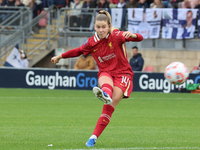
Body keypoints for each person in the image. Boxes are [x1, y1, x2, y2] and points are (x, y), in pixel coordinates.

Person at [51, 10, 143, 147]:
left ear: (109, 26)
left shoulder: (117, 35)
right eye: (98, 27)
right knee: (105, 84)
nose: (101, 30)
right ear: (94, 27)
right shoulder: (91, 42)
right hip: (106, 72)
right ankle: (105, 94)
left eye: (104, 27)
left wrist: (133, 34)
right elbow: (78, 51)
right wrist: (60, 56)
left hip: (123, 74)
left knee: (110, 105)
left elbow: (140, 38)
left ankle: (94, 136)